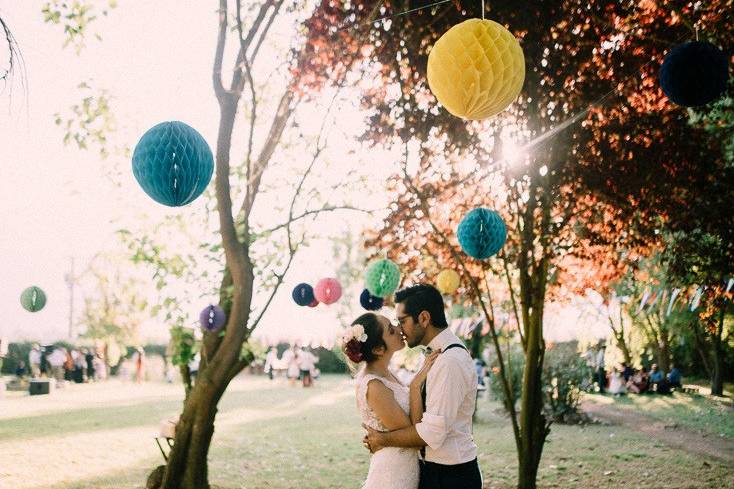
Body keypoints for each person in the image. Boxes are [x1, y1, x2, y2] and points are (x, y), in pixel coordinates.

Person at [363, 284, 483, 489]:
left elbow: (431, 433)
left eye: (402, 321)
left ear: (424, 318)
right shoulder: (436, 354)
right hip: (435, 471)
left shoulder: (449, 361)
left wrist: (382, 439)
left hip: (451, 476)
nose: (399, 330)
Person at [345, 312, 439, 489]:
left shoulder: (386, 374)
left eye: (394, 324)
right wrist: (414, 386)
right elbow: (416, 438)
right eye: (391, 330)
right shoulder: (374, 385)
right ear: (378, 349)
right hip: (392, 475)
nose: (399, 329)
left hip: (404, 468)